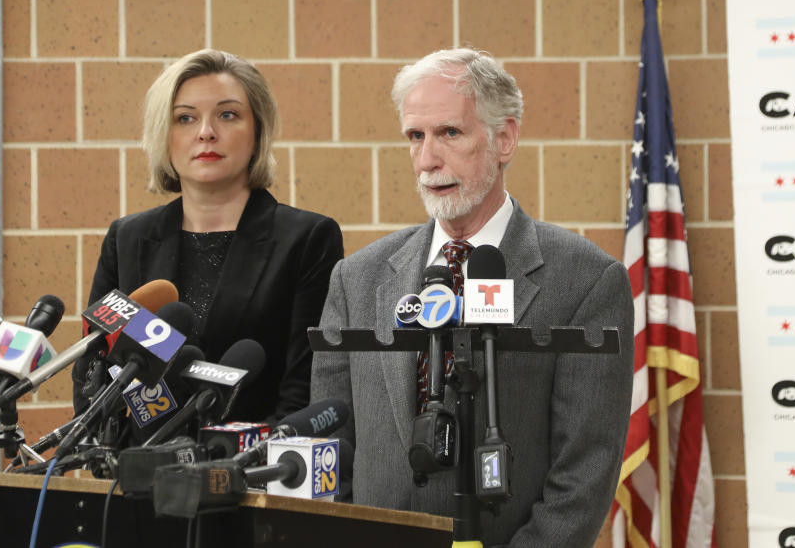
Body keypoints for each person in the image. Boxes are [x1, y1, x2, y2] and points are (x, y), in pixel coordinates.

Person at [310, 48, 634, 546]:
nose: (427, 160)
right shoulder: (357, 278)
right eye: (415, 137)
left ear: (504, 139)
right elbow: (330, 442)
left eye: (449, 133)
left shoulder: (588, 281)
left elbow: (584, 469)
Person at [75, 49, 343, 430]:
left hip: (251, 473)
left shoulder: (307, 239)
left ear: (257, 131)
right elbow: (93, 371)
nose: (205, 132)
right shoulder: (128, 238)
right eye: (185, 118)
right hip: (135, 473)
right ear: (163, 136)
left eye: (227, 114)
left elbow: (305, 388)